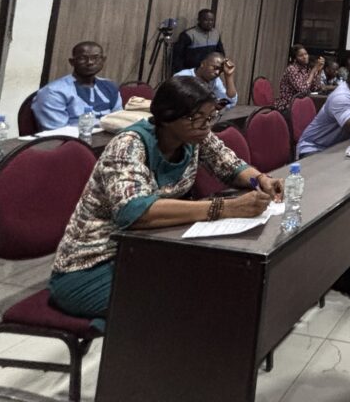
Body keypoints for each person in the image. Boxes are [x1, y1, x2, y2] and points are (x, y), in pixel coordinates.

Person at [48, 76, 282, 330]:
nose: (206, 126)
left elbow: (231, 166)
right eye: (197, 118)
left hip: (147, 252)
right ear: (168, 116)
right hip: (92, 263)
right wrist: (225, 209)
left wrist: (261, 180)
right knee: (187, 300)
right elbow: (134, 212)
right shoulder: (129, 146)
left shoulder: (196, 136)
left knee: (216, 281)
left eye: (210, 117)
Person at [33, 41, 123, 129]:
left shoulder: (110, 86)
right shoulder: (53, 92)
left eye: (96, 58)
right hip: (72, 138)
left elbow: (119, 121)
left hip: (110, 137)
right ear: (72, 62)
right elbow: (57, 132)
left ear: (103, 60)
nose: (90, 62)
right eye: (82, 58)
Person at [171, 8, 225, 74]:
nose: (209, 23)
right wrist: (182, 74)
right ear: (199, 20)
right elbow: (177, 57)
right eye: (206, 20)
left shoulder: (216, 34)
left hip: (210, 73)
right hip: (192, 73)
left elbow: (220, 54)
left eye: (212, 20)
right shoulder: (188, 34)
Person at [276, 45, 324, 111]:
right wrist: (312, 72)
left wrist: (319, 71)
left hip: (301, 103)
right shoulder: (292, 69)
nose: (305, 57)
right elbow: (302, 90)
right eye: (301, 55)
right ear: (295, 58)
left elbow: (315, 88)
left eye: (306, 54)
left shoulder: (306, 69)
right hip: (288, 105)